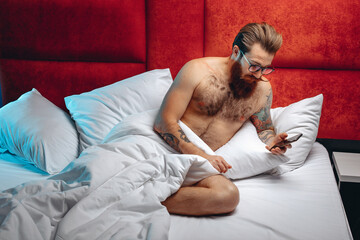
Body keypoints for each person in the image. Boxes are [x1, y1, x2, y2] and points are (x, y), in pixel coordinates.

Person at [154, 22, 291, 216]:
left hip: (202, 165)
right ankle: (141, 197)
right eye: (254, 66)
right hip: (167, 149)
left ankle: (147, 199)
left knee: (228, 196)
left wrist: (273, 142)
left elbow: (264, 128)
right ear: (236, 51)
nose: (259, 75)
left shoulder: (262, 90)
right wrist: (203, 155)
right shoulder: (197, 70)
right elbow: (163, 121)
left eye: (266, 68)